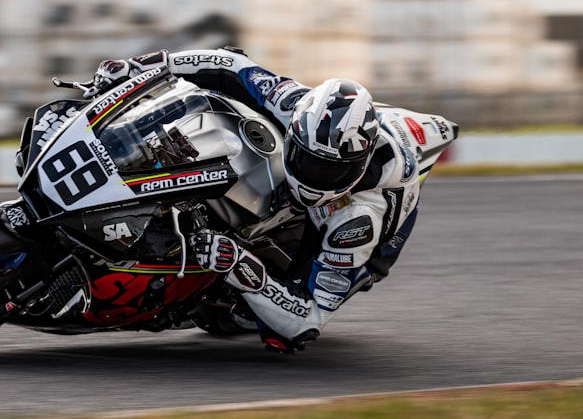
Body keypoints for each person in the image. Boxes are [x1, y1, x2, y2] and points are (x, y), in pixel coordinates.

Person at [86, 47, 437, 354]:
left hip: (363, 226)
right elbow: (227, 63)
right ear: (298, 128)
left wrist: (237, 265)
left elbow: (306, 320)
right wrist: (142, 65)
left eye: (326, 171)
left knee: (259, 324)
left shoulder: (361, 218)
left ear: (355, 167)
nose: (312, 177)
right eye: (305, 159)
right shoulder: (294, 104)